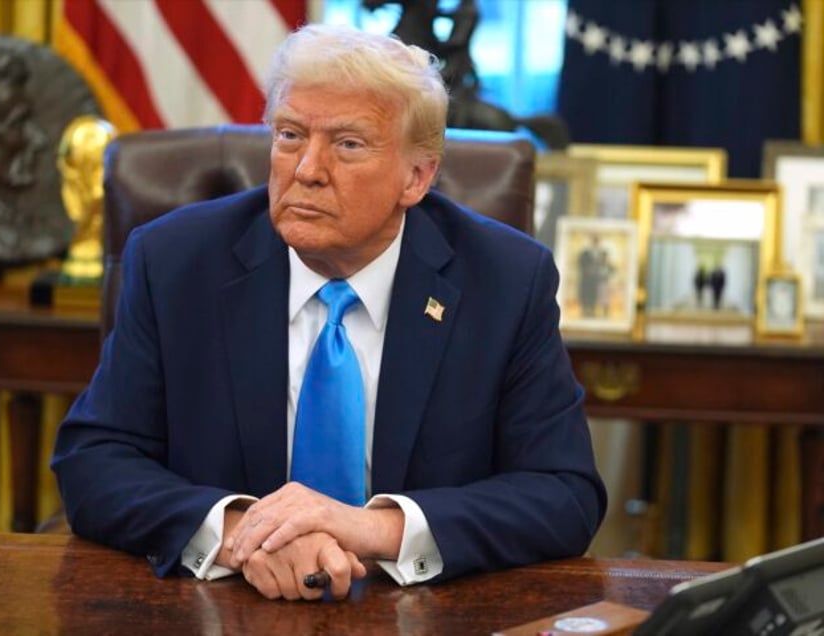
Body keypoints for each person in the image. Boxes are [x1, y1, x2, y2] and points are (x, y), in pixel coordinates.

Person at [51, 23, 606, 602]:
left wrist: (372, 528)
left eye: (348, 144)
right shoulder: (175, 262)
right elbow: (94, 460)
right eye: (290, 135)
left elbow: (564, 494)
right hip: (223, 607)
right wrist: (245, 532)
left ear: (417, 177)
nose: (307, 169)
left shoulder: (506, 280)